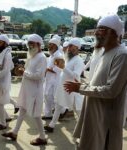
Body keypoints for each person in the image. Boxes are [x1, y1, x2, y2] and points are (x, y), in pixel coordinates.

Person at [64, 14, 127, 150]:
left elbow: (111, 90)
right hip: (94, 116)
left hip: (106, 121)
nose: (97, 33)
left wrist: (81, 88)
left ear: (114, 33)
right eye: (97, 29)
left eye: (102, 29)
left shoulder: (121, 55)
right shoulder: (104, 53)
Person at [2, 34, 47, 146]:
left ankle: (42, 137)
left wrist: (24, 73)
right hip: (27, 89)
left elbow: (39, 76)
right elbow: (28, 71)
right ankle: (14, 133)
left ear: (38, 44)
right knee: (22, 110)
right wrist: (22, 69)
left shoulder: (42, 57)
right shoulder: (32, 56)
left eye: (32, 43)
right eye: (29, 43)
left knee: (36, 114)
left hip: (35, 91)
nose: (30, 46)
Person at [44, 38, 85, 133]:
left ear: (77, 47)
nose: (69, 48)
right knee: (58, 105)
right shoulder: (69, 58)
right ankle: (51, 125)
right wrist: (59, 67)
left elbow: (76, 75)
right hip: (64, 87)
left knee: (77, 110)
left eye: (71, 46)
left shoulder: (78, 60)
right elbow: (64, 71)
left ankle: (84, 130)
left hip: (72, 89)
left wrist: (63, 67)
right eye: (68, 46)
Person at [42, 38, 64, 120]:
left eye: (50, 44)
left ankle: (63, 110)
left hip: (55, 80)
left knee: (54, 98)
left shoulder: (58, 56)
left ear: (55, 45)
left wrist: (48, 69)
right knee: (47, 96)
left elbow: (59, 69)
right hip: (49, 79)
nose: (49, 46)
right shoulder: (52, 55)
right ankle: (48, 114)